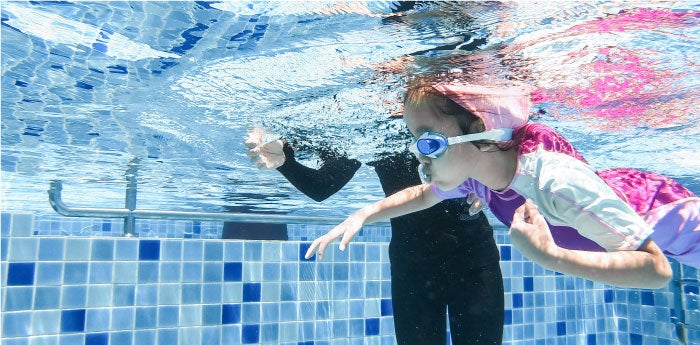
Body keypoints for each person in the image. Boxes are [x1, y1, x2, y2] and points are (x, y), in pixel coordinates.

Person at [304, 79, 700, 289]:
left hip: (676, 217)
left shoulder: (552, 182)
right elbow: (424, 194)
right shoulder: (480, 177)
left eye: (428, 141)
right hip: (636, 221)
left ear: (480, 134)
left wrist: (551, 258)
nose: (417, 156)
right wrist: (364, 214)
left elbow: (656, 271)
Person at [246, 128, 504, 345]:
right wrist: (286, 162)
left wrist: (484, 181)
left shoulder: (441, 116)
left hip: (473, 257)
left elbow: (505, 148)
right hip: (413, 265)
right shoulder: (370, 126)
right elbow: (323, 185)